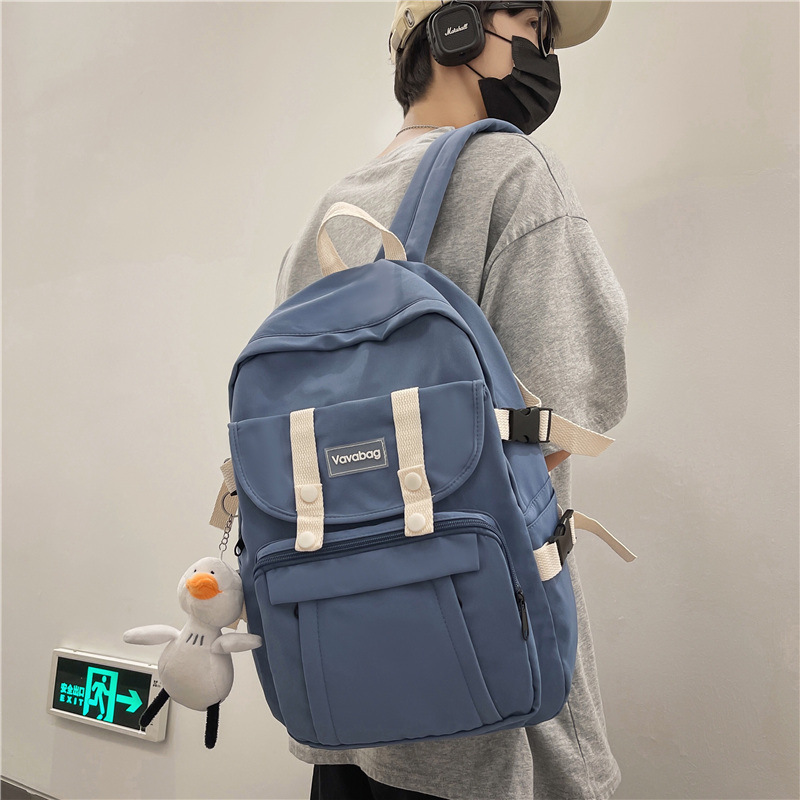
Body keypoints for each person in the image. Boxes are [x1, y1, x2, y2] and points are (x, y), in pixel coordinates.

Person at [272, 2, 628, 798]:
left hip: (342, 690)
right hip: (487, 703)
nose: (543, 49)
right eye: (530, 23)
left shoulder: (327, 214)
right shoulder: (513, 172)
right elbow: (572, 410)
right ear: (457, 28)